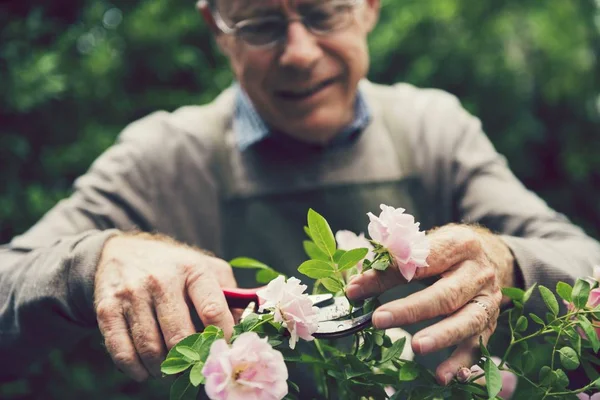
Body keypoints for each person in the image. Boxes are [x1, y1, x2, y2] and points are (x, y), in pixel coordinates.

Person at [1, 0, 599, 392]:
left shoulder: (434, 132)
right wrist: (91, 263)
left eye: (321, 13)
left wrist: (508, 264)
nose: (299, 53)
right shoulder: (160, 159)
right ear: (218, 29)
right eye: (260, 24)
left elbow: (585, 263)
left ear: (367, 7)